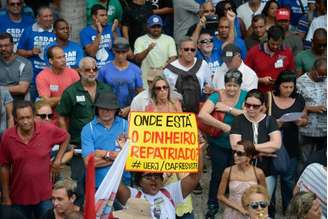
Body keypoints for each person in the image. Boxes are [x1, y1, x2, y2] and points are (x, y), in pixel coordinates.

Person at [56, 57, 113, 207]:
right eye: (87, 69)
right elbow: (62, 116)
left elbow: (114, 113)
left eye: (95, 69)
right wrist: (66, 140)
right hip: (79, 147)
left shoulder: (106, 89)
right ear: (80, 71)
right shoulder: (71, 92)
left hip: (103, 146)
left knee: (104, 183)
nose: (92, 72)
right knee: (79, 186)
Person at [0, 100, 69, 219]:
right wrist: (6, 197)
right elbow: (4, 166)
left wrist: (58, 160)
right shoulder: (7, 136)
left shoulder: (47, 130)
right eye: (21, 118)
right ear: (15, 119)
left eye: (28, 117)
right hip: (18, 196)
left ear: (34, 117)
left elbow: (66, 136)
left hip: (44, 196)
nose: (26, 121)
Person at [198, 70, 247, 218]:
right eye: (228, 85)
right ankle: (212, 204)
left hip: (238, 144)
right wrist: (223, 126)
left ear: (240, 85)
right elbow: (202, 114)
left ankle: (236, 204)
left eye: (234, 85)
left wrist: (228, 109)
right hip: (219, 142)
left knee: (238, 175)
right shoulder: (217, 95)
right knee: (217, 174)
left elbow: (248, 114)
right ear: (224, 84)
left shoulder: (245, 95)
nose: (231, 89)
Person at [116, 141, 204, 219]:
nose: (153, 179)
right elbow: (116, 184)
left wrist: (198, 150)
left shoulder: (170, 193)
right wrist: (123, 154)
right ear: (140, 181)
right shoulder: (134, 197)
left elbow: (194, 177)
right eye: (148, 177)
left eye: (157, 176)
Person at [230, 89, 281, 198]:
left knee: (263, 204)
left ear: (262, 105)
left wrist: (250, 147)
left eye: (255, 106)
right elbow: (236, 146)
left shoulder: (270, 120)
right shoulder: (238, 120)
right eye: (248, 105)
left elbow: (276, 144)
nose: (251, 109)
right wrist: (261, 152)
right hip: (242, 171)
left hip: (266, 171)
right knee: (243, 204)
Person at [268, 71, 307, 212]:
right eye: (285, 87)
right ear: (278, 85)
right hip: (271, 145)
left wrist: (300, 122)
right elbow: (260, 120)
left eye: (291, 87)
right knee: (270, 179)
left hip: (290, 144)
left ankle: (288, 209)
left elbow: (305, 119)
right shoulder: (268, 98)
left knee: (288, 180)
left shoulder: (299, 99)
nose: (288, 90)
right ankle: (269, 211)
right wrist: (274, 124)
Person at [81, 92, 129, 188]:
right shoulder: (88, 129)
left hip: (123, 182)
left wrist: (103, 154)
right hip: (97, 185)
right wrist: (121, 157)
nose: (105, 111)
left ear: (115, 109)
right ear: (97, 109)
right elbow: (89, 162)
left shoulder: (126, 125)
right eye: (102, 108)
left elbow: (133, 157)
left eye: (109, 109)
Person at [218, 139, 266, 219]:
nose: (235, 155)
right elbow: (220, 196)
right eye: (234, 152)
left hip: (252, 213)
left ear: (249, 157)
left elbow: (264, 196)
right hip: (232, 213)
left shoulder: (258, 173)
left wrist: (259, 213)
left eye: (239, 153)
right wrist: (240, 209)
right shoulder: (228, 171)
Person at [17, 6, 56, 101]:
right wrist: (31, 52)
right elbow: (18, 51)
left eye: (50, 16)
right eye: (45, 16)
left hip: (53, 75)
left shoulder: (57, 30)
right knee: (33, 106)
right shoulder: (29, 30)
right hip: (33, 76)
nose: (49, 18)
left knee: (51, 104)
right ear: (38, 18)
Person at [98, 37, 143, 118]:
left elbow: (140, 93)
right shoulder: (104, 70)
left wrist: (130, 108)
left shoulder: (135, 70)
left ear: (128, 51)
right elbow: (99, 93)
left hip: (130, 111)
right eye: (118, 52)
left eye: (123, 52)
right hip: (109, 111)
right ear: (113, 51)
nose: (120, 55)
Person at [163, 37, 211, 113]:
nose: (189, 52)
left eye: (192, 50)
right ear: (180, 51)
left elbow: (208, 85)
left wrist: (208, 89)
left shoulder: (203, 64)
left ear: (195, 52)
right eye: (186, 49)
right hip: (176, 110)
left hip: (199, 109)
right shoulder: (168, 70)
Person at [245, 25, 295, 93]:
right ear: (267, 39)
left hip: (280, 93)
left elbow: (291, 74)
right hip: (258, 92)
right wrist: (260, 80)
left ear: (282, 40)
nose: (275, 46)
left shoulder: (287, 52)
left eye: (278, 44)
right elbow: (246, 74)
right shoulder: (254, 51)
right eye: (272, 44)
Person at [296, 58, 326, 163]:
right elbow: (295, 104)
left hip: (324, 130)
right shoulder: (300, 82)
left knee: (321, 161)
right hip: (307, 129)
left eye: (325, 75)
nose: (323, 77)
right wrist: (312, 108)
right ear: (313, 69)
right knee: (305, 161)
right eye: (320, 74)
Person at [134, 15, 177, 87]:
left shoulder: (169, 39)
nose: (156, 29)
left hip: (164, 77)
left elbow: (173, 57)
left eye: (158, 26)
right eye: (153, 27)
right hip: (146, 78)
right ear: (148, 27)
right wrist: (148, 49)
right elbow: (137, 59)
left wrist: (163, 68)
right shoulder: (140, 40)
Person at [80, 4, 119, 68]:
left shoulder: (113, 28)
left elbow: (120, 50)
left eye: (106, 15)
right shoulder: (85, 32)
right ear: (94, 17)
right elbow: (92, 53)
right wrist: (99, 33)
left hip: (113, 67)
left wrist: (114, 33)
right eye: (102, 15)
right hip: (95, 69)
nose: (105, 18)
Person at [0, 32, 32, 101]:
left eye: (6, 45)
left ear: (12, 45)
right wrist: (14, 88)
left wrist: (1, 88)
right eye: (0, 46)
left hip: (18, 103)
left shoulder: (25, 63)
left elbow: (22, 89)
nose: (3, 49)